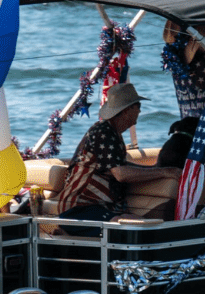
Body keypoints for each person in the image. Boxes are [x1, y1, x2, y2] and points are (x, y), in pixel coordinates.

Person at [56, 82, 154, 221]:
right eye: (138, 106)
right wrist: (163, 172)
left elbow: (120, 166)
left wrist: (154, 168)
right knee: (130, 223)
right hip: (80, 207)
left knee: (138, 221)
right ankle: (66, 230)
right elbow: (121, 174)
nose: (140, 111)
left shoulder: (112, 133)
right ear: (127, 110)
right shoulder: (103, 133)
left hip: (98, 207)